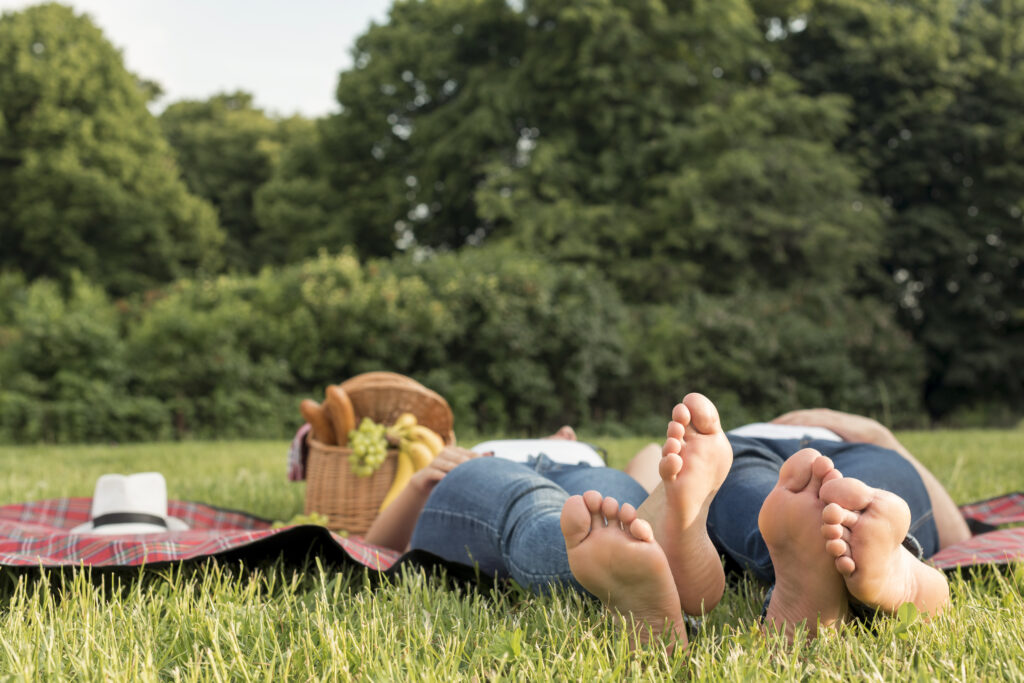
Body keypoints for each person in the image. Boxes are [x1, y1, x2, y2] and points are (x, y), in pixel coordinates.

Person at [364, 393, 965, 649]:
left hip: (846, 454)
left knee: (817, 492)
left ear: (569, 437)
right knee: (570, 511)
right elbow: (372, 546)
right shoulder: (557, 456)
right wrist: (422, 479)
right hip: (492, 471)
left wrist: (883, 437)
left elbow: (960, 529)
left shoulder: (590, 459)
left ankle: (885, 565)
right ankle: (663, 537)